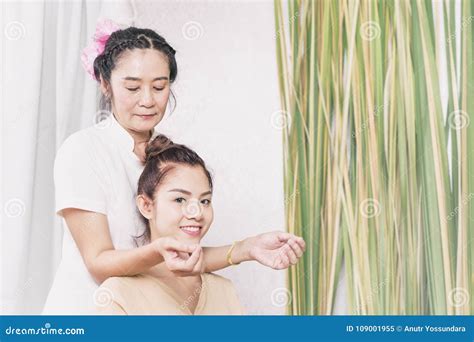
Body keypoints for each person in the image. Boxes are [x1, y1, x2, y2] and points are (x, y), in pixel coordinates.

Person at [42, 19, 305, 314]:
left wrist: (248, 248)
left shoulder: (166, 158)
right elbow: (99, 263)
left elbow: (178, 260)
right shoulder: (83, 151)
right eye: (132, 87)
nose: (147, 100)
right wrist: (158, 250)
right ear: (106, 84)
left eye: (159, 86)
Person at [97, 135, 245, 315]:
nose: (196, 212)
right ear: (147, 206)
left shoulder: (224, 290)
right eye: (180, 199)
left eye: (205, 201)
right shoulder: (118, 295)